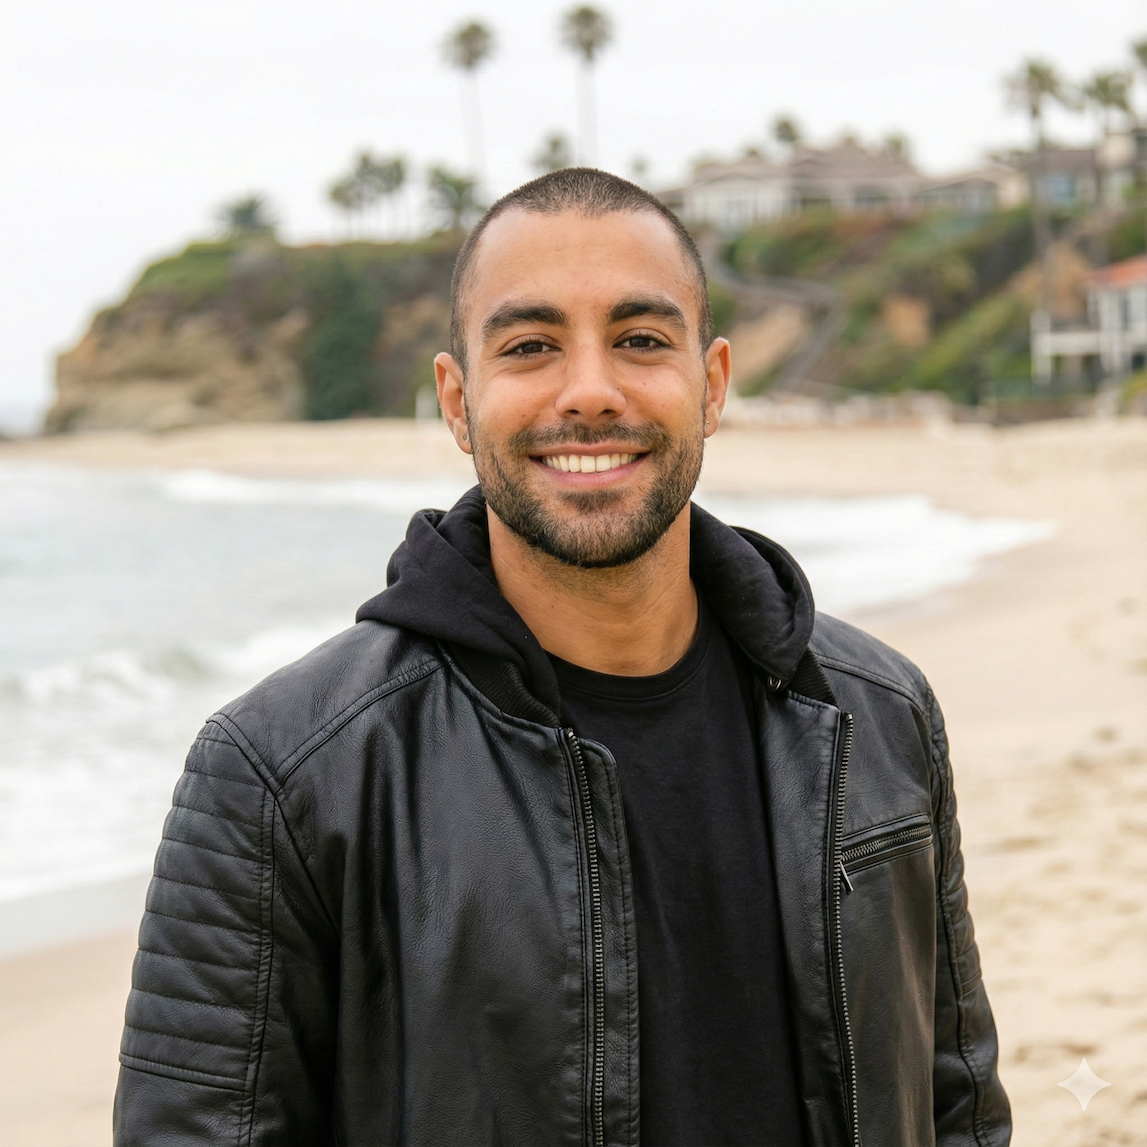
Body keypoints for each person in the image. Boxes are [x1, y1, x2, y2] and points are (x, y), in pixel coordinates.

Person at [113, 168, 1010, 1147]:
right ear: (456, 401)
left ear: (711, 385)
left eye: (640, 340)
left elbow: (956, 1108)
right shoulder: (283, 773)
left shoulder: (879, 714)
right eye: (530, 346)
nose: (589, 392)